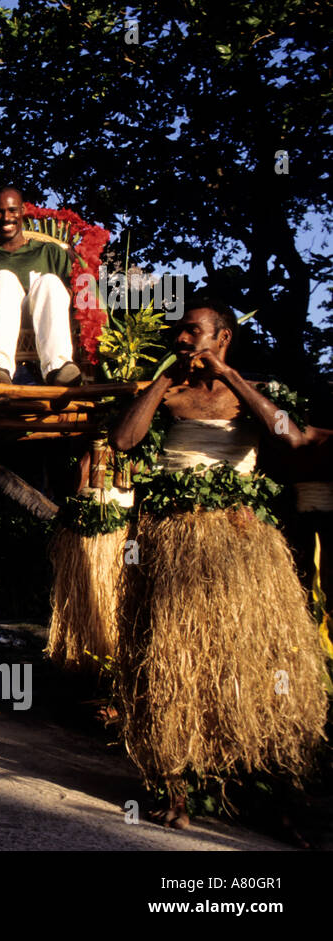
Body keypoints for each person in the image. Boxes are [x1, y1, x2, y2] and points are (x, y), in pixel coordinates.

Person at [110, 299, 327, 828]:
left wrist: (230, 376)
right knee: (171, 657)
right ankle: (174, 785)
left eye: (192, 332)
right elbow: (122, 441)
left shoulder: (252, 395)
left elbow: (291, 436)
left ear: (222, 336)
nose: (182, 341)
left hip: (239, 544)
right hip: (174, 538)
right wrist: (160, 384)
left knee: (249, 659)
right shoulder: (168, 393)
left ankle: (266, 783)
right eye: (179, 333)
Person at [0, 186, 81, 386]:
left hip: (41, 315)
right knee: (4, 279)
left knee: (50, 282)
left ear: (23, 211)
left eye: (12, 210)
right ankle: (0, 369)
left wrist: (38, 290)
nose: (6, 217)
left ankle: (58, 368)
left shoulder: (49, 251)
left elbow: (75, 291)